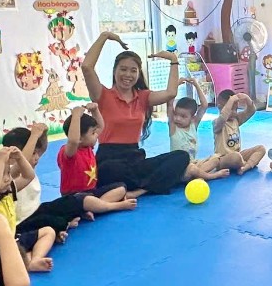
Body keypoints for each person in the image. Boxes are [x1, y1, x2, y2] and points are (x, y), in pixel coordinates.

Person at [80, 31, 191, 195]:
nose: (128, 75)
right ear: (115, 71)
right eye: (123, 69)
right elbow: (86, 67)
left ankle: (138, 190)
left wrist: (173, 60)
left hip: (135, 159)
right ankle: (148, 185)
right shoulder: (102, 95)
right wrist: (104, 36)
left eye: (133, 70)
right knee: (109, 170)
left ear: (138, 74)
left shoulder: (143, 97)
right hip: (110, 160)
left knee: (181, 157)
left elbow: (170, 93)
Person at [0, 147, 57, 273]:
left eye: (8, 173)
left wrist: (20, 158)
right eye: (0, 175)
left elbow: (29, 176)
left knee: (48, 231)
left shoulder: (8, 191)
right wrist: (1, 161)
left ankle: (34, 259)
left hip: (13, 241)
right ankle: (24, 262)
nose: (7, 178)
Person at [58, 104, 138, 213]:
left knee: (121, 187)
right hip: (74, 197)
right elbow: (73, 141)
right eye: (93, 133)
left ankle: (94, 208)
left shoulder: (87, 146)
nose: (96, 135)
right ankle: (114, 206)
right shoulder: (69, 152)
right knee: (86, 200)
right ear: (80, 138)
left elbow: (100, 127)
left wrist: (95, 110)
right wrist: (76, 116)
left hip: (91, 192)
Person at [166, 78, 230, 182]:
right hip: (179, 169)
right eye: (176, 114)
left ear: (192, 118)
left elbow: (204, 105)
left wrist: (196, 85)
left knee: (215, 159)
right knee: (192, 168)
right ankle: (211, 176)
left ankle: (197, 175)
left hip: (194, 163)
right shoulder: (173, 127)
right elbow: (169, 105)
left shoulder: (193, 125)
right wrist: (176, 85)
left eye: (183, 116)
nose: (178, 118)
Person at [211, 89, 267, 175]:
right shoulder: (217, 123)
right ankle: (245, 163)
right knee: (236, 157)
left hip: (238, 155)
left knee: (261, 149)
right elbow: (223, 117)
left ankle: (246, 167)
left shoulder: (236, 119)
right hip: (222, 159)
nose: (234, 113)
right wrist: (231, 100)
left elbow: (251, 111)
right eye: (231, 110)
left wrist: (247, 98)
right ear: (220, 107)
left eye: (236, 109)